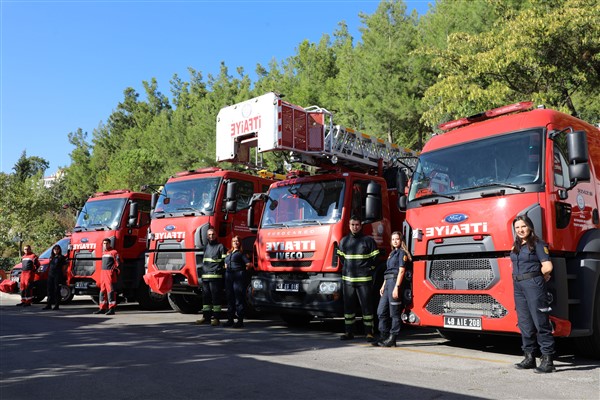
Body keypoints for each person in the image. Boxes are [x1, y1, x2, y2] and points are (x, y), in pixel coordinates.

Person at [510, 215, 556, 373]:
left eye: (523, 226)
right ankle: (529, 357)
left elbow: (548, 266)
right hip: (518, 285)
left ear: (530, 227)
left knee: (540, 321)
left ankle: (548, 360)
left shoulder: (537, 244)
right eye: (517, 228)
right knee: (524, 323)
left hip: (533, 284)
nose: (520, 230)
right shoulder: (516, 246)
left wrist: (539, 277)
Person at [337, 215, 380, 341]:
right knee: (348, 308)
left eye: (357, 225)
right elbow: (341, 258)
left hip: (364, 280)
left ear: (361, 226)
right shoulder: (344, 241)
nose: (355, 227)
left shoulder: (368, 240)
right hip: (348, 280)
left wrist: (369, 270)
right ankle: (349, 332)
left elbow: (375, 259)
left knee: (366, 307)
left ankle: (369, 333)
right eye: (352, 225)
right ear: (349, 226)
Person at [373, 231, 411, 347]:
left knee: (394, 313)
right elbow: (388, 270)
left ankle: (392, 338)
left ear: (401, 240)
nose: (395, 241)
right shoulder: (391, 254)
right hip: (388, 282)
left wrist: (397, 287)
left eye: (397, 239)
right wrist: (383, 285)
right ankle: (384, 336)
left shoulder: (401, 253)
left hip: (395, 282)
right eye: (393, 239)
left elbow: (401, 271)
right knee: (381, 311)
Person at [196, 228, 227, 326]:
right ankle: (206, 318)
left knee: (216, 298)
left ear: (216, 235)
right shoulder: (206, 247)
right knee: (206, 298)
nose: (211, 236)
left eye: (213, 234)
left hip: (216, 277)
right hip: (205, 277)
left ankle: (216, 318)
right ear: (207, 236)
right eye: (209, 234)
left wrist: (219, 271)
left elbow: (224, 262)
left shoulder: (220, 247)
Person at [224, 236, 252, 328]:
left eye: (237, 241)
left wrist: (242, 273)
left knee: (238, 299)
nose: (235, 243)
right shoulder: (228, 253)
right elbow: (225, 264)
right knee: (229, 298)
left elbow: (248, 264)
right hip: (229, 276)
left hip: (238, 276)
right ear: (231, 243)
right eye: (234, 241)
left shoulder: (241, 253)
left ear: (239, 243)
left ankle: (240, 321)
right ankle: (230, 320)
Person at [94, 239, 121, 315]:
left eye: (106, 243)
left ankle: (112, 308)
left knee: (110, 290)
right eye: (104, 243)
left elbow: (118, 264)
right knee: (102, 290)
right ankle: (102, 307)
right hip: (103, 273)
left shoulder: (114, 252)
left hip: (109, 273)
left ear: (110, 244)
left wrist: (113, 271)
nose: (105, 245)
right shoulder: (103, 253)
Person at [43, 245, 68, 310]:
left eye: (57, 249)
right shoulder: (52, 257)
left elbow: (65, 267)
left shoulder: (61, 257)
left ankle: (57, 305)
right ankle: (49, 304)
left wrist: (62, 275)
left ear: (59, 250)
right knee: (49, 290)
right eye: (55, 249)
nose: (56, 250)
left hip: (58, 275)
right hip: (50, 275)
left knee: (56, 290)